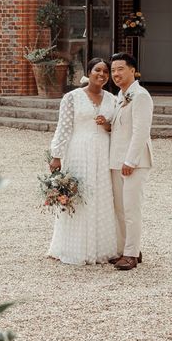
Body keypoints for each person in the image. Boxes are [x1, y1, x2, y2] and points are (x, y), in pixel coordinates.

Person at [47, 58, 118, 265]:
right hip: (78, 151)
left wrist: (106, 125)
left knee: (102, 196)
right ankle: (72, 247)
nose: (102, 74)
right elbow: (64, 127)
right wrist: (56, 155)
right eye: (98, 70)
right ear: (89, 72)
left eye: (106, 71)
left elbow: (116, 128)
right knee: (79, 196)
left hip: (103, 152)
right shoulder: (72, 97)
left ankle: (101, 248)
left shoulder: (112, 99)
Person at [106, 52, 154, 271]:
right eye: (113, 70)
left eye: (120, 69)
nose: (116, 74)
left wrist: (130, 161)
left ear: (133, 71)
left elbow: (140, 132)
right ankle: (127, 249)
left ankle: (131, 254)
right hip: (116, 160)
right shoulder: (120, 95)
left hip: (133, 162)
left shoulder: (141, 96)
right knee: (120, 210)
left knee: (132, 209)